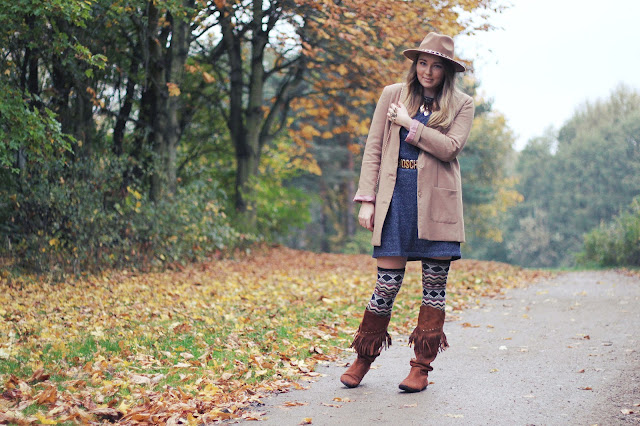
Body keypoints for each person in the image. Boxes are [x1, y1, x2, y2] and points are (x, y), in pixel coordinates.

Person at [340, 32, 474, 392]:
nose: (428, 71)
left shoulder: (462, 104)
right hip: (395, 197)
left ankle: (421, 368)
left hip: (438, 203)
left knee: (434, 289)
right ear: (415, 64)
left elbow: (449, 148)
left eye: (436, 66)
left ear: (447, 71)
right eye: (423, 63)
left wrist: (410, 126)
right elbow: (373, 147)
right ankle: (363, 358)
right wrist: (367, 198)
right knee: (385, 286)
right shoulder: (392, 95)